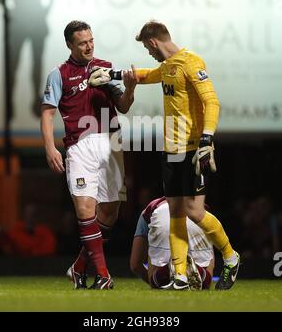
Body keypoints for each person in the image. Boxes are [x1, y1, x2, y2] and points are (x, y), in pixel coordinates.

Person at [89, 20, 240, 290]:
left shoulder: (191, 62)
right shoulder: (168, 67)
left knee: (194, 210)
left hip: (194, 148)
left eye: (148, 48)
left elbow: (211, 101)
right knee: (177, 213)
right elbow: (146, 75)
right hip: (171, 150)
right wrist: (111, 75)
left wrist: (207, 138)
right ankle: (180, 275)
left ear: (153, 42)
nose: (149, 53)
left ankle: (230, 256)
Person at [40, 21, 137, 290]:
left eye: (91, 40)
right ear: (70, 45)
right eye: (82, 42)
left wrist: (130, 88)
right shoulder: (59, 74)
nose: (89, 46)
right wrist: (49, 147)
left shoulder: (105, 68)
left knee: (110, 212)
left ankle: (79, 267)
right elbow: (47, 112)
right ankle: (104, 275)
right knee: (85, 208)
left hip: (111, 141)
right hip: (79, 145)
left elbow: (124, 106)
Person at [130, 197, 214, 290]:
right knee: (204, 283)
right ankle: (192, 269)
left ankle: (170, 269)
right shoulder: (203, 207)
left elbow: (135, 264)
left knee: (156, 278)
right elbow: (210, 260)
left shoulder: (151, 208)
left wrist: (155, 283)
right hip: (197, 215)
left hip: (161, 216)